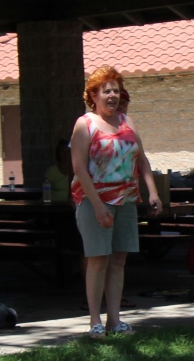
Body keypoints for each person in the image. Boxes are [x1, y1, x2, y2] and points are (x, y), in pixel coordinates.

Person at [70, 66, 162, 338]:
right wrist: (98, 206)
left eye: (115, 90)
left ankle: (115, 320)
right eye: (105, 90)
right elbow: (79, 169)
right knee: (98, 260)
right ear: (93, 96)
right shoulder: (84, 124)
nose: (111, 95)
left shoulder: (126, 121)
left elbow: (141, 159)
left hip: (127, 200)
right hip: (94, 200)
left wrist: (152, 192)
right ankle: (95, 321)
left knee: (119, 260)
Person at [43, 139, 73, 203]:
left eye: (68, 151)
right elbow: (46, 191)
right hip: (54, 206)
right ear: (58, 153)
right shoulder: (51, 171)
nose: (65, 155)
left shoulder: (76, 170)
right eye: (62, 152)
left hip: (72, 206)